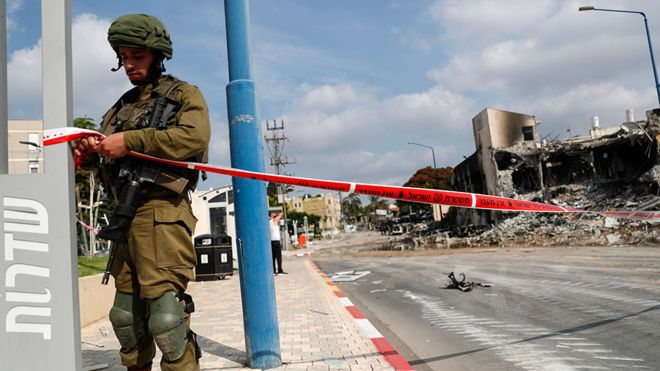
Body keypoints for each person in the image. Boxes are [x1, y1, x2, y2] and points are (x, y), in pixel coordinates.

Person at [74, 14, 210, 371]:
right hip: (125, 216)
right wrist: (91, 149)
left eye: (137, 56)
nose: (129, 64)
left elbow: (194, 138)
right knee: (124, 318)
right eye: (124, 56)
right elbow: (106, 155)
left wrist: (130, 141)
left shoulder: (184, 95)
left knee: (166, 320)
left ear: (157, 54)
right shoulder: (120, 107)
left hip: (162, 213)